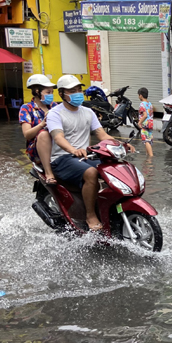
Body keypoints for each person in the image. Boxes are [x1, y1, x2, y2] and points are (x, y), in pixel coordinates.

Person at [46, 75, 129, 232]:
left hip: (85, 157)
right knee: (91, 172)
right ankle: (90, 215)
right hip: (62, 158)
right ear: (62, 93)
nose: (78, 93)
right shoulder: (55, 113)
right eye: (72, 90)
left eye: (79, 90)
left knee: (114, 167)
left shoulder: (88, 112)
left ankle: (112, 207)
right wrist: (73, 150)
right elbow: (58, 138)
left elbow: (102, 135)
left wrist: (120, 144)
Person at [19, 74, 57, 184]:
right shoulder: (26, 108)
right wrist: (42, 124)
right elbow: (27, 134)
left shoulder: (55, 106)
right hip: (37, 147)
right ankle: (49, 173)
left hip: (57, 142)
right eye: (48, 92)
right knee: (44, 133)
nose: (51, 95)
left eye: (52, 92)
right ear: (37, 91)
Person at [138, 87, 154, 157]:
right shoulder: (150, 104)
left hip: (145, 124)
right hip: (150, 123)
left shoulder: (142, 104)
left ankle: (151, 156)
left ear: (141, 95)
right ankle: (147, 155)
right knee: (149, 140)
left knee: (146, 141)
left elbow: (144, 115)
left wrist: (139, 122)